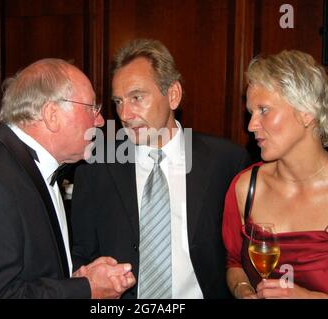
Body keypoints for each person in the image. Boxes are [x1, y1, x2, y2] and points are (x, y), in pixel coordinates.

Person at [0, 58, 135, 298]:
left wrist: (76, 278)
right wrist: (85, 288)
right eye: (91, 109)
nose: (100, 121)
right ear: (51, 114)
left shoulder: (32, 167)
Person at [71, 39, 250, 299]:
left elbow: (240, 255)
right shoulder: (95, 165)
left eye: (136, 98)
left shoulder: (226, 161)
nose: (125, 114)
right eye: (118, 101)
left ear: (173, 95)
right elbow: (82, 255)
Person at [222, 50, 328, 299]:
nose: (251, 125)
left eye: (264, 110)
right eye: (251, 112)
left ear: (306, 112)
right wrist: (243, 290)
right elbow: (234, 264)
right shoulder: (246, 187)